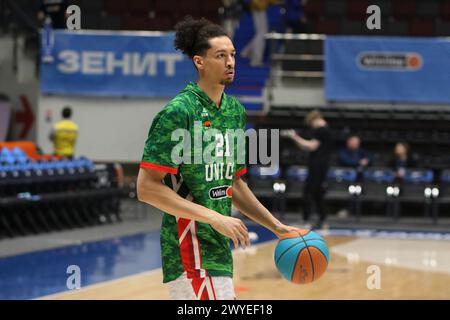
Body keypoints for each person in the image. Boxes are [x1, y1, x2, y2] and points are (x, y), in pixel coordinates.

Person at [136, 16, 301, 300]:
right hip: (190, 248)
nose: (231, 62)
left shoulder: (234, 111)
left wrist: (276, 226)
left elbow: (234, 184)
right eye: (221, 55)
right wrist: (213, 217)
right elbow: (146, 188)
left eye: (233, 55)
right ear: (199, 62)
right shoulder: (179, 112)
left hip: (218, 248)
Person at [281, 110, 332, 229]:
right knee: (317, 192)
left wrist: (295, 137)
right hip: (320, 164)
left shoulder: (322, 130)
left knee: (308, 192)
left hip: (318, 165)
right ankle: (322, 218)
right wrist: (296, 140)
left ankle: (306, 219)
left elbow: (311, 146)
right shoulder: (325, 130)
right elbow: (307, 146)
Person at [240, 0, 277, 66]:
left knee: (261, 32)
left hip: (257, 6)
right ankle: (255, 59)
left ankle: (247, 51)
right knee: (262, 34)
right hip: (259, 6)